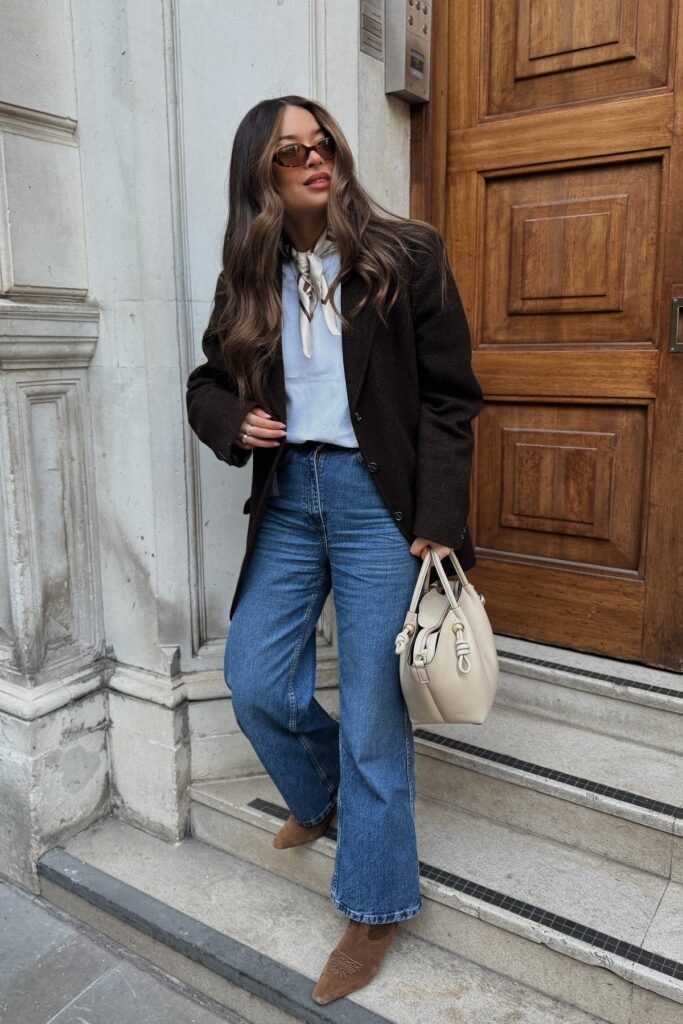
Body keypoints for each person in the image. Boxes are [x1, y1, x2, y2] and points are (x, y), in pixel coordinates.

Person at [186, 95, 483, 1005]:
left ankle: (375, 901)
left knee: (371, 713)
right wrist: (235, 418)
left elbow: (450, 397)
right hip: (290, 497)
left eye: (322, 144)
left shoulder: (406, 255)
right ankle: (320, 799)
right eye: (290, 153)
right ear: (260, 177)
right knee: (256, 680)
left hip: (373, 504)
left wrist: (433, 512)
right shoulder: (251, 275)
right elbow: (204, 381)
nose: (316, 160)